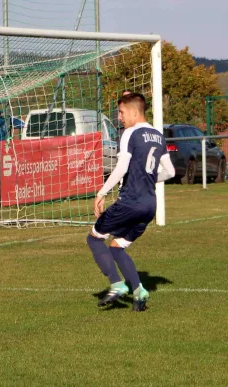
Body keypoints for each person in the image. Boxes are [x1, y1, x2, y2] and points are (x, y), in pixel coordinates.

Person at [87, 93, 175, 312]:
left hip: (130, 202)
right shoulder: (157, 134)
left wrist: (102, 192)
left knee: (94, 239)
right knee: (117, 247)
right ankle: (139, 291)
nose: (119, 117)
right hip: (149, 206)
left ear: (134, 112)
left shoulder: (130, 133)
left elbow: (121, 168)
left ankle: (117, 284)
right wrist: (149, 178)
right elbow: (171, 172)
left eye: (121, 112)